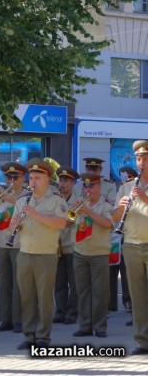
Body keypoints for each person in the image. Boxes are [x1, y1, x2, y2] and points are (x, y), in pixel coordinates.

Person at [11, 158, 67, 349]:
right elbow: (11, 225)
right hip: (25, 253)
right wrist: (16, 223)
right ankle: (29, 336)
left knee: (44, 298)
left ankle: (43, 336)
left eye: (37, 178)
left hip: (45, 255)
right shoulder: (22, 201)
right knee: (27, 298)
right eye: (31, 178)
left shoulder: (56, 200)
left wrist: (35, 214)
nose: (32, 182)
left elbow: (61, 223)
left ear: (47, 179)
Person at [112, 140, 148, 355]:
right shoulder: (126, 186)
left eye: (145, 158)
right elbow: (115, 217)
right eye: (138, 158)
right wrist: (121, 207)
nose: (141, 162)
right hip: (132, 245)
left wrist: (145, 198)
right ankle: (142, 341)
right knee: (138, 295)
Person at [0, 162, 29, 333]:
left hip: (19, 242)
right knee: (4, 282)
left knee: (18, 284)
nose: (11, 180)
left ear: (23, 178)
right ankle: (5, 319)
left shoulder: (27, 195)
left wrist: (9, 199)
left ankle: (19, 319)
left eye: (15, 177)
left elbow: (27, 212)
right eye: (8, 177)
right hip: (2, 242)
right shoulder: (1, 193)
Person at [71, 173, 114, 338]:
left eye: (91, 186)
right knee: (82, 292)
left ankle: (100, 327)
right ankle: (84, 326)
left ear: (99, 187)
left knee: (100, 292)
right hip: (80, 252)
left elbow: (108, 224)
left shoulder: (106, 205)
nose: (88, 190)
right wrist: (72, 210)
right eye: (86, 186)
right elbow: (68, 221)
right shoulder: (81, 204)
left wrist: (88, 211)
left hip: (99, 254)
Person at [53, 166, 80, 325]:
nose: (62, 184)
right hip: (56, 246)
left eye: (66, 181)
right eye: (60, 180)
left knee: (74, 283)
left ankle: (72, 312)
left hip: (71, 246)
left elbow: (74, 221)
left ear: (73, 183)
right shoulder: (54, 199)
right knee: (59, 283)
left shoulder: (78, 199)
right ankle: (60, 312)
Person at [109, 166, 137, 312]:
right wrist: (120, 209)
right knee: (115, 271)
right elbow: (114, 215)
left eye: (127, 176)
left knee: (127, 274)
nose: (125, 179)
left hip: (135, 237)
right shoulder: (121, 189)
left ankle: (130, 302)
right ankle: (115, 303)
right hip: (118, 236)